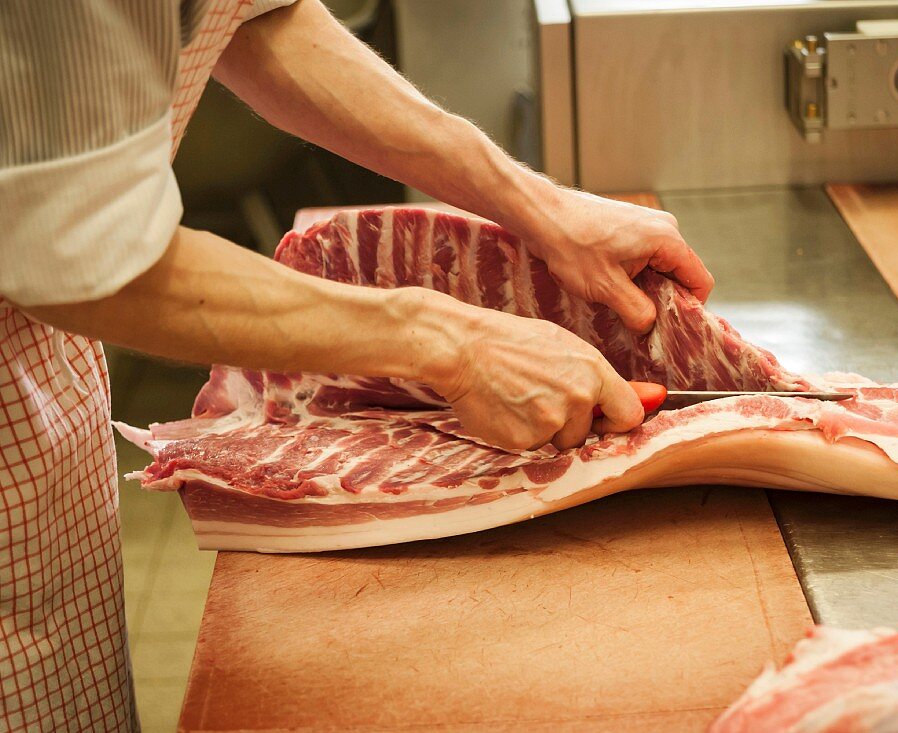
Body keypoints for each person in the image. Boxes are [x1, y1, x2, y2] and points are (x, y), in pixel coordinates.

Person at [0, 1, 714, 728]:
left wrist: (541, 204)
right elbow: (83, 254)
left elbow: (254, 20)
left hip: (42, 414)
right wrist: (452, 345)